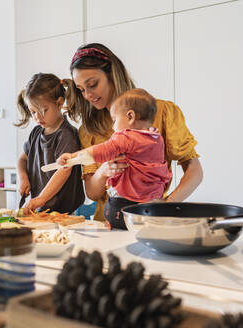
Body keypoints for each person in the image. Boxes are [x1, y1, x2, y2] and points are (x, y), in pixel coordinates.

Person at [64, 43, 203, 223]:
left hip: (148, 220)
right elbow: (92, 193)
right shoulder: (89, 129)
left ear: (113, 75)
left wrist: (167, 204)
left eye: (93, 84)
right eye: (81, 89)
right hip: (107, 225)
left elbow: (195, 171)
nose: (88, 95)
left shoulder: (162, 111)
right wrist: (103, 171)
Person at [58, 88, 172, 229]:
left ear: (130, 117)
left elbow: (101, 151)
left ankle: (113, 223)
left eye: (114, 120)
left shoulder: (126, 137)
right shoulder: (156, 138)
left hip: (126, 206)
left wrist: (73, 157)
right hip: (151, 206)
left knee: (111, 210)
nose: (113, 126)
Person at [15, 73, 85, 214]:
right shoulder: (36, 133)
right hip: (42, 209)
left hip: (62, 212)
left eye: (42, 110)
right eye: (33, 112)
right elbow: (22, 159)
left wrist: (42, 198)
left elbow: (64, 170)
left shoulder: (66, 135)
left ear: (59, 103)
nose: (37, 117)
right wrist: (23, 177)